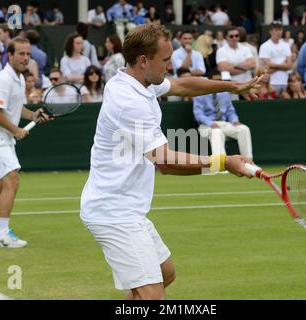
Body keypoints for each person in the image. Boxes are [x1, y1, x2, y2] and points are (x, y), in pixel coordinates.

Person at [79, 23, 262, 300]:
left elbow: (183, 84)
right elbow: (164, 161)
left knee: (165, 274)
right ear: (143, 61)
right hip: (113, 213)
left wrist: (234, 85)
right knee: (154, 297)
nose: (170, 65)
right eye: (165, 60)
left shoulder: (136, 81)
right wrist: (224, 162)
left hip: (128, 210)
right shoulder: (129, 102)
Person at [0, 37, 50, 248]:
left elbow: (14, 107)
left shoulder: (19, 79)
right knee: (12, 178)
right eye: (21, 54)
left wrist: (32, 116)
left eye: (28, 54)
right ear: (10, 55)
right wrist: (16, 130)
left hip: (3, 137)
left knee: (6, 179)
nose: (25, 58)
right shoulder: (3, 79)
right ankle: (2, 235)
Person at [193, 70, 253, 158]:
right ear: (209, 81)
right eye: (216, 80)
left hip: (224, 124)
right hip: (206, 126)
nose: (219, 83)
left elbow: (230, 111)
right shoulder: (199, 94)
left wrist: (234, 120)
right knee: (217, 132)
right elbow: (198, 114)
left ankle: (248, 162)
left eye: (220, 80)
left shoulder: (225, 94)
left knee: (244, 129)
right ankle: (219, 165)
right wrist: (211, 123)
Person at [259, 21, 292, 95]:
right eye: (276, 30)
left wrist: (274, 66)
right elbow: (267, 67)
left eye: (280, 30)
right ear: (271, 31)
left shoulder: (286, 45)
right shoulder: (264, 46)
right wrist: (283, 66)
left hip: (284, 82)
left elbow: (289, 65)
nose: (279, 32)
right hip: (270, 83)